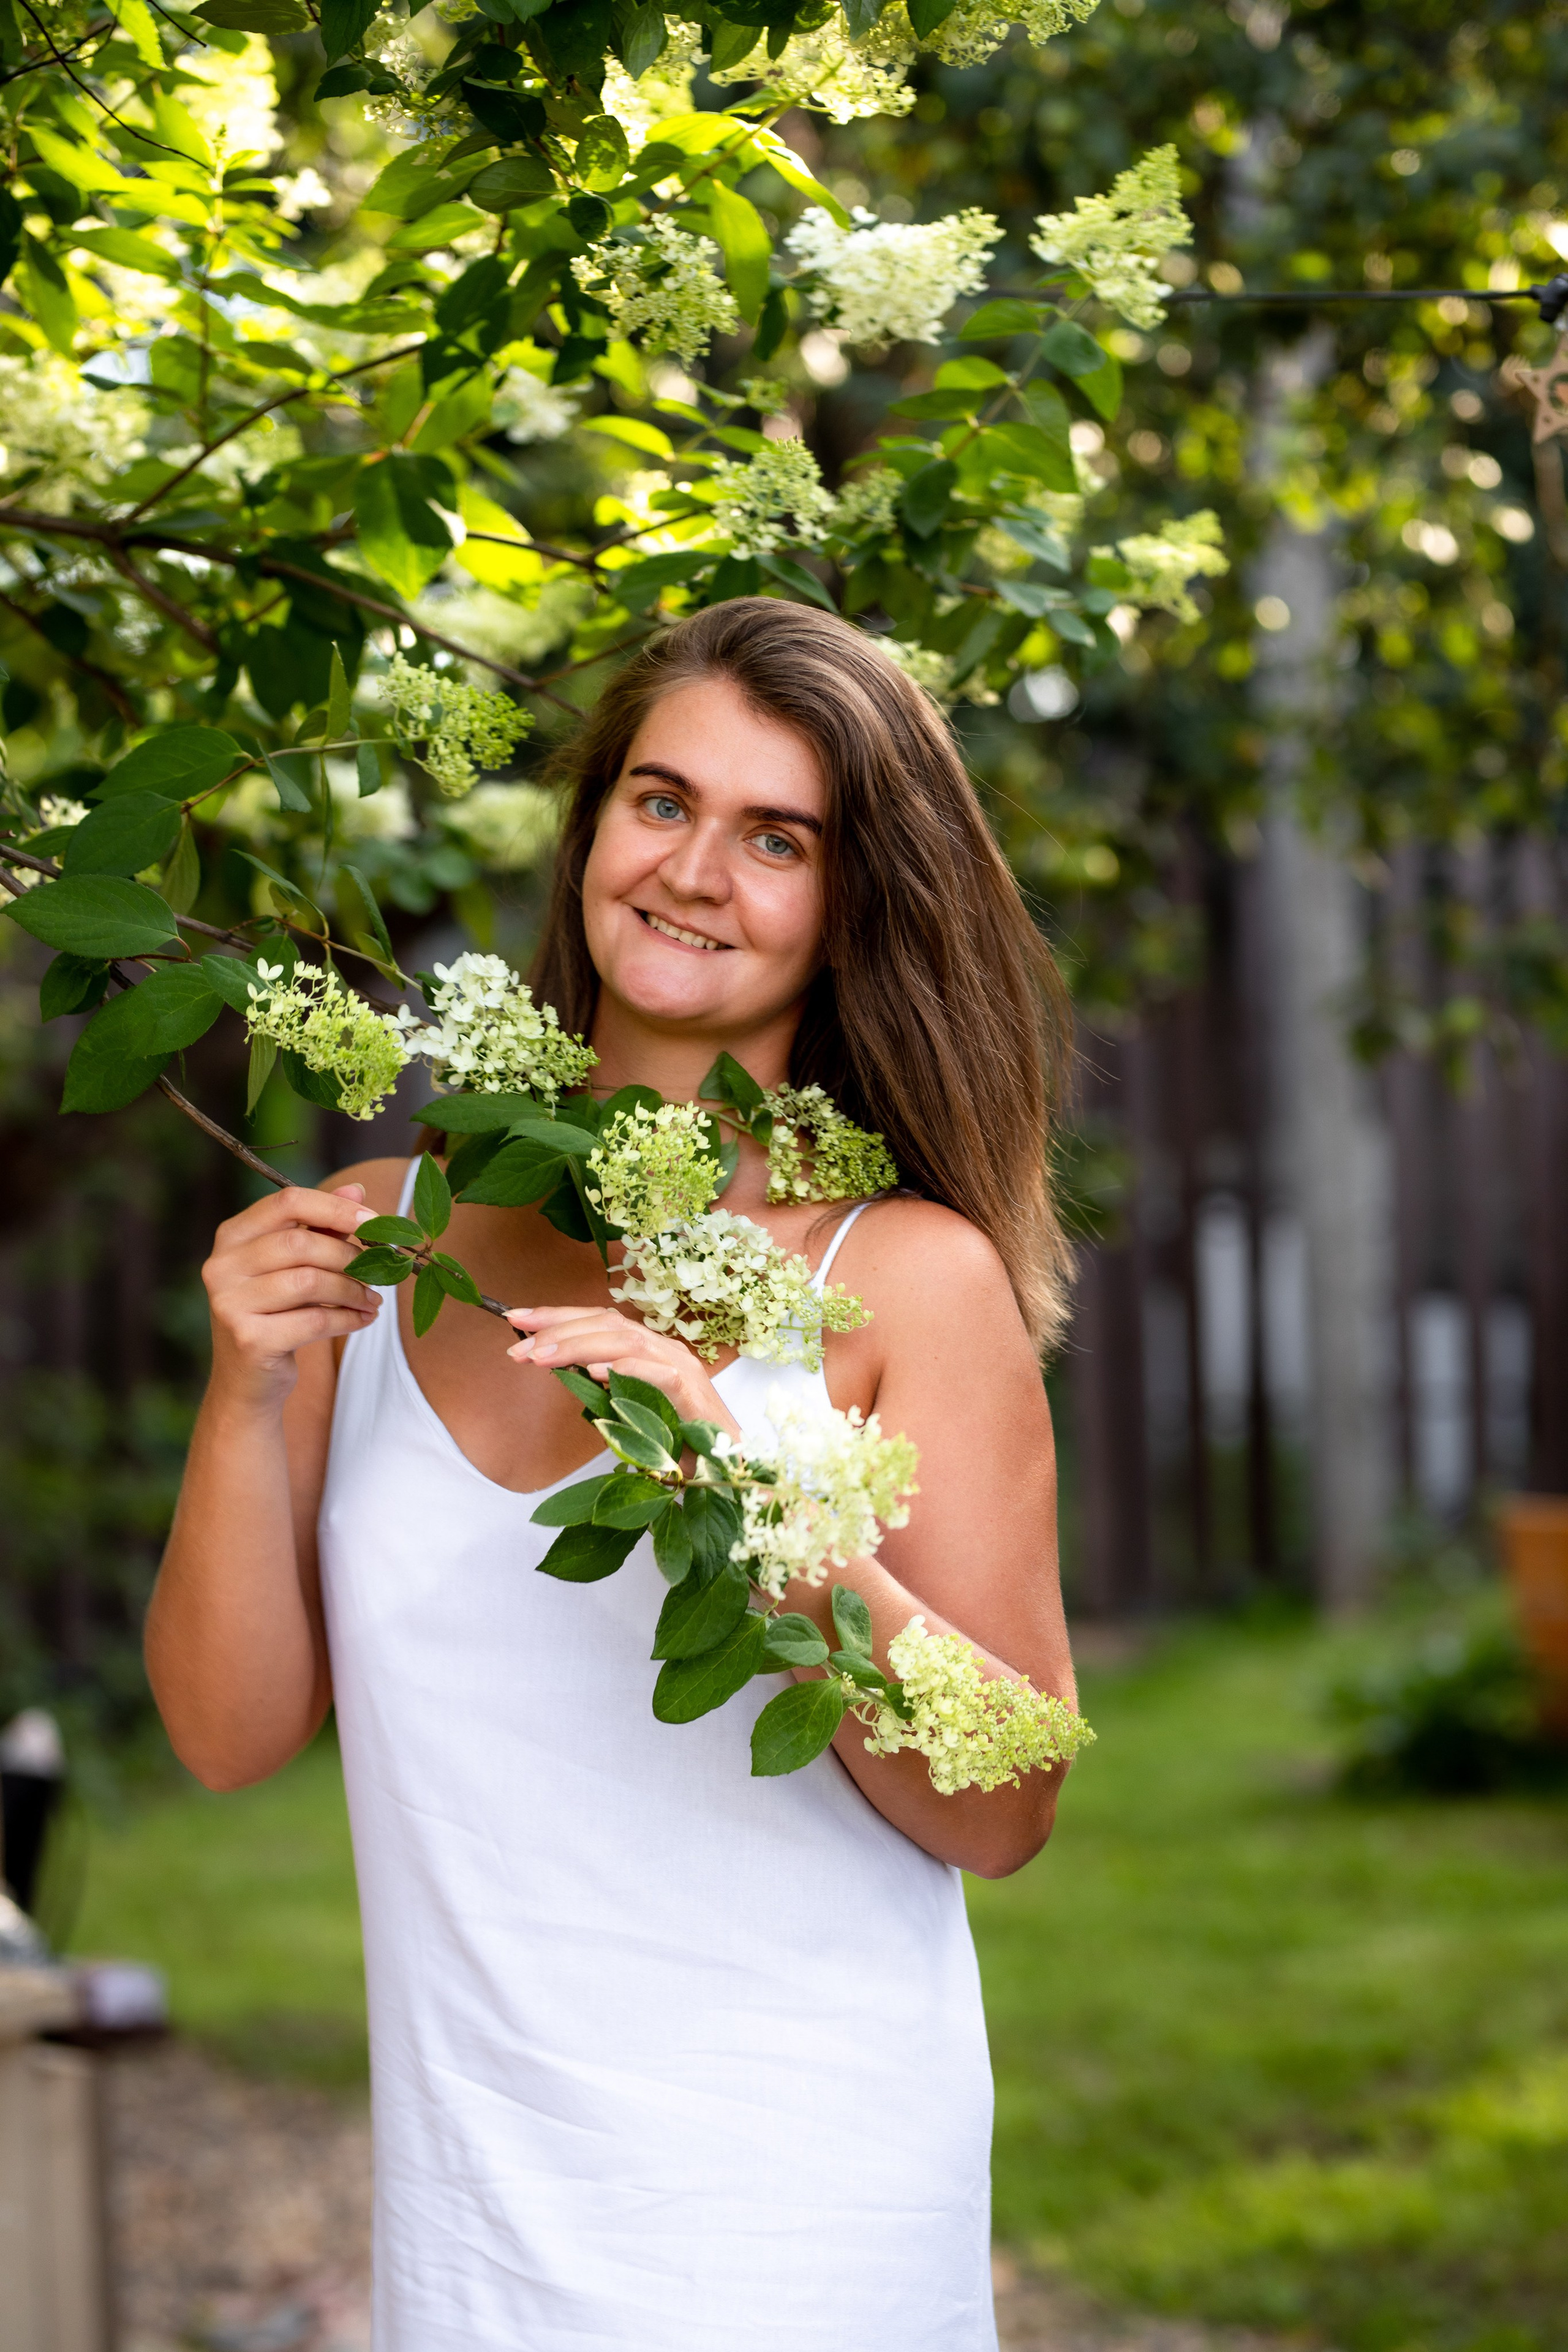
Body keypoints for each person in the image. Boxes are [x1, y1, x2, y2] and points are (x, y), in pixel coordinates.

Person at [148, 598, 1080, 2352]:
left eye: (777, 837)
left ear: (852, 902)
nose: (695, 871)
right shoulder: (379, 1243)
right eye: (661, 803)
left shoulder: (904, 1276)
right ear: (591, 833)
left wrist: (760, 1498)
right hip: (477, 2219)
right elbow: (225, 1733)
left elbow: (1010, 1800)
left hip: (799, 2216)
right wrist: (244, 1386)